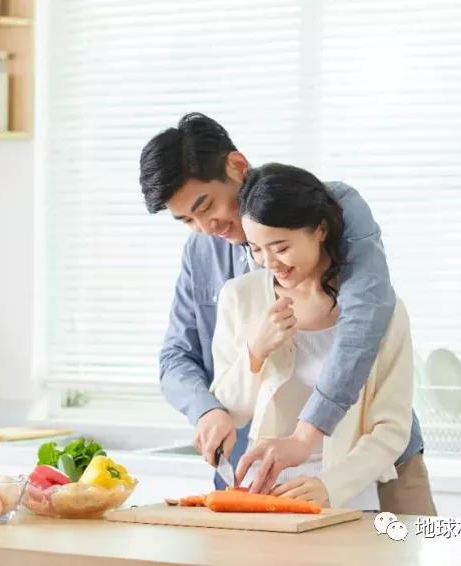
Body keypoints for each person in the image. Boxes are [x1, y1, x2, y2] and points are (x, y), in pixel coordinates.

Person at [139, 113, 435, 514]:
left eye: (205, 206)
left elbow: (367, 317)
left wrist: (307, 439)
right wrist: (208, 409)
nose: (205, 228)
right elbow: (178, 357)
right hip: (261, 476)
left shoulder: (330, 208)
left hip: (373, 468)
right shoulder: (215, 268)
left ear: (237, 166)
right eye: (187, 221)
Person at [210, 163, 425, 511]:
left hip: (344, 495)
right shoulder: (240, 297)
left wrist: (329, 486)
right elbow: (231, 411)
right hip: (261, 496)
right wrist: (255, 351)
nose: (269, 262)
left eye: (280, 247)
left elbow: (391, 428)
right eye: (256, 249)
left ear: (320, 230)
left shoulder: (381, 310)